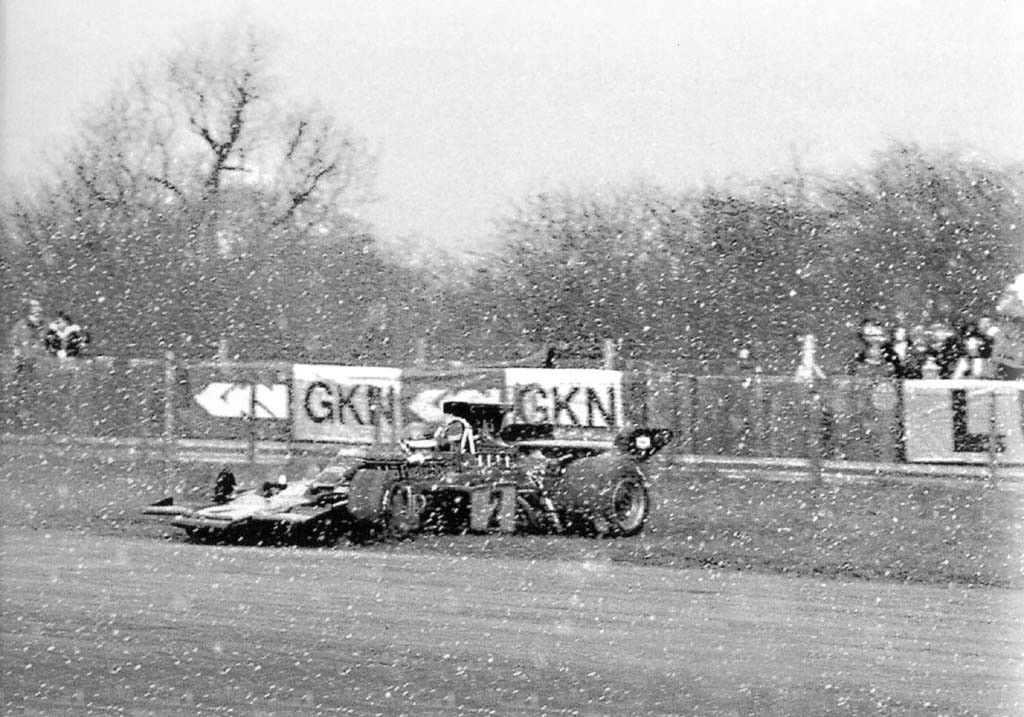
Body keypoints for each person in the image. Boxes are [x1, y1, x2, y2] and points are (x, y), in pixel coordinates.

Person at [7, 298, 48, 370]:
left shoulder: (45, 324)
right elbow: (13, 342)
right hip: (25, 362)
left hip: (41, 362)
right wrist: (18, 355)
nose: (35, 308)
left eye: (37, 306)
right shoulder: (20, 325)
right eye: (33, 306)